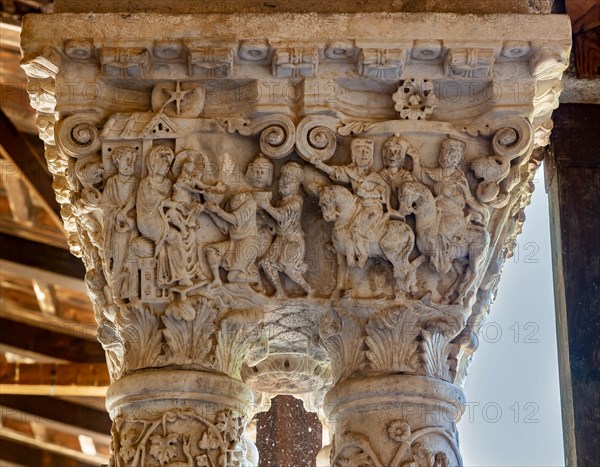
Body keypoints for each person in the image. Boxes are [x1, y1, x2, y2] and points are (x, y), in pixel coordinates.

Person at [412, 137, 489, 273]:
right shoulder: (437, 174)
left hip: (453, 217)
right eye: (444, 152)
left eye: (451, 154)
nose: (446, 156)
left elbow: (467, 200)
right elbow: (420, 176)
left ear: (457, 159)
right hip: (436, 213)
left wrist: (451, 196)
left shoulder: (459, 179)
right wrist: (415, 158)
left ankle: (444, 256)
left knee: (447, 227)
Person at [312, 138, 389, 267]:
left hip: (372, 208)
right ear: (353, 155)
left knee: (355, 229)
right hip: (357, 205)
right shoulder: (351, 172)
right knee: (344, 225)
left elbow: (382, 192)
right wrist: (320, 165)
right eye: (360, 151)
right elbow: (337, 173)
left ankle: (362, 255)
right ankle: (342, 246)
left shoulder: (375, 176)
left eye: (367, 152)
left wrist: (366, 193)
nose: (363, 154)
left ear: (371, 157)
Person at [137, 145, 196, 287]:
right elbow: (153, 200)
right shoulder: (147, 183)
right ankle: (181, 276)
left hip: (163, 217)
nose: (166, 167)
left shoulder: (169, 183)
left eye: (168, 165)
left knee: (187, 233)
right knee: (175, 237)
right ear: (153, 163)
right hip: (149, 220)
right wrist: (172, 205)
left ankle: (191, 270)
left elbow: (175, 198)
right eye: (163, 164)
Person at [257, 161, 313, 298]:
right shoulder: (279, 203)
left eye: (289, 180)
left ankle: (310, 290)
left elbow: (281, 216)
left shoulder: (296, 201)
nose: (283, 182)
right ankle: (280, 292)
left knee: (287, 266)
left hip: (293, 241)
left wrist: (266, 206)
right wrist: (262, 214)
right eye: (282, 178)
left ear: (297, 184)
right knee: (266, 263)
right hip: (281, 239)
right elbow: (275, 224)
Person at [100, 146, 138, 297]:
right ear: (117, 162)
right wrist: (117, 213)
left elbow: (140, 203)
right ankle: (116, 292)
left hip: (132, 227)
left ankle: (131, 291)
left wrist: (129, 217)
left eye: (133, 161)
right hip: (116, 229)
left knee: (132, 259)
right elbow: (104, 205)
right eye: (127, 160)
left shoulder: (135, 181)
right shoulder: (112, 183)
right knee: (117, 259)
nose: (131, 164)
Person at [204, 191, 260, 286]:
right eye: (234, 199)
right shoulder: (231, 208)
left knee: (232, 277)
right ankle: (217, 280)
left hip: (248, 243)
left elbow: (234, 219)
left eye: (237, 199)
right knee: (211, 249)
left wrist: (218, 211)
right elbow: (225, 227)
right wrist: (211, 213)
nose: (234, 200)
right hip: (233, 243)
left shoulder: (251, 204)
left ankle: (256, 277)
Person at [379, 133, 416, 211]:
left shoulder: (406, 176)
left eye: (396, 152)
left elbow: (412, 198)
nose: (392, 156)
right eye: (389, 152)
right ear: (384, 156)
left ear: (402, 157)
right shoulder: (380, 176)